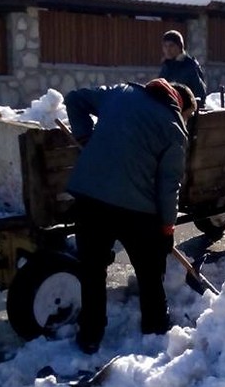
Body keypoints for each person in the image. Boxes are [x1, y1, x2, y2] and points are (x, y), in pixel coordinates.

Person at [65, 78, 197, 354]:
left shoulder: (119, 93)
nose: (187, 121)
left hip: (89, 198)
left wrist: (84, 137)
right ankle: (156, 327)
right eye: (189, 116)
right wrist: (167, 228)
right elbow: (168, 186)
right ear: (181, 106)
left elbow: (75, 99)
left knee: (92, 270)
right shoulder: (174, 129)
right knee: (149, 270)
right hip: (136, 210)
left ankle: (90, 335)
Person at [159, 30, 207, 107]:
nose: (167, 50)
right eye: (165, 46)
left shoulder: (190, 66)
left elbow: (200, 95)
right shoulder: (167, 66)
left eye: (171, 46)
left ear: (180, 47)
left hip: (185, 112)